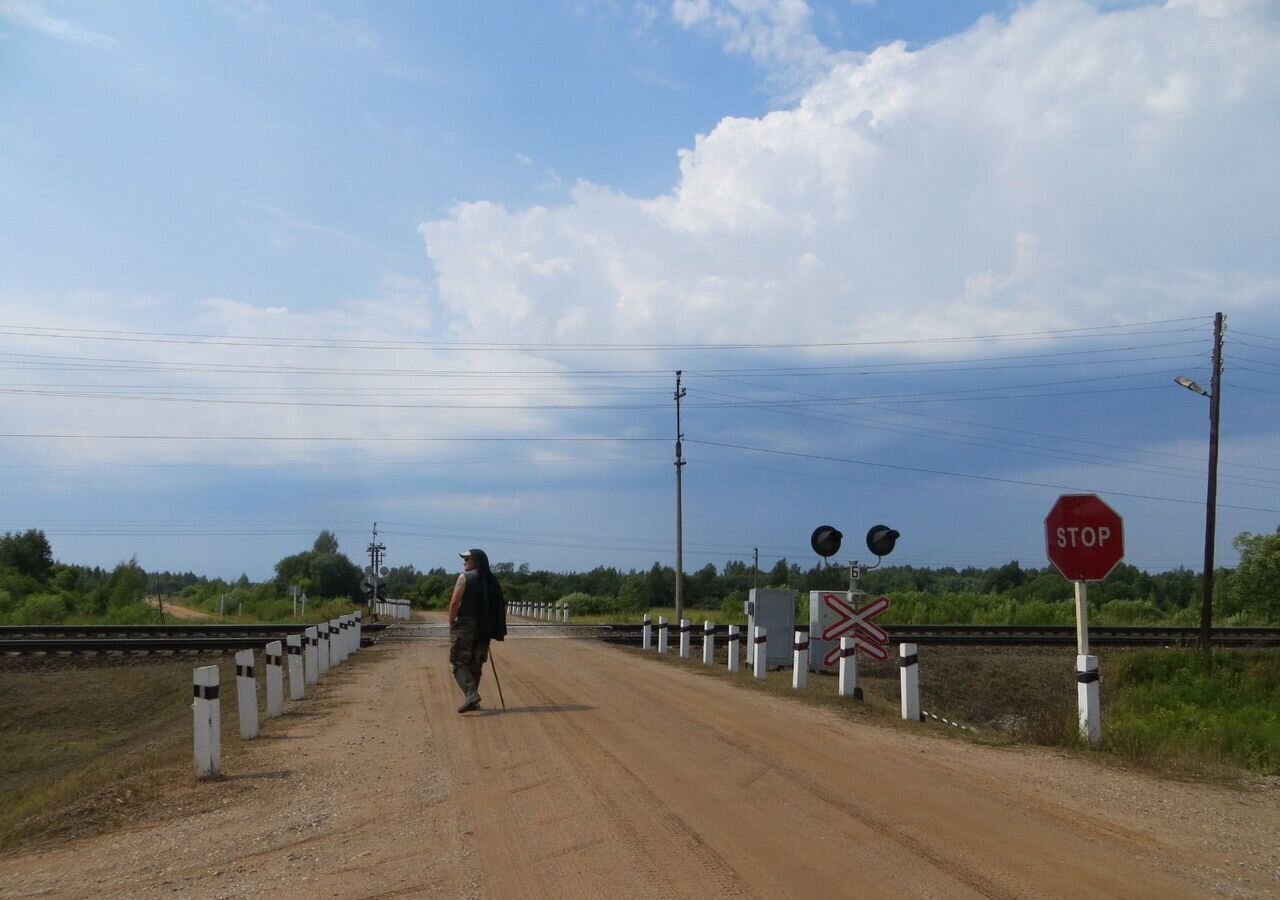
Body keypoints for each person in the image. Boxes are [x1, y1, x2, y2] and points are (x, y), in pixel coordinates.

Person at [448, 548, 507, 713]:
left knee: (459, 661)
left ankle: (471, 694)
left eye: (467, 559)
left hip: (466, 625)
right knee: (476, 663)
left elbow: (454, 603)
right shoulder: (493, 580)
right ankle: (472, 700)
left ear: (477, 561)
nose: (464, 562)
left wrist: (451, 621)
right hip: (485, 628)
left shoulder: (464, 577)